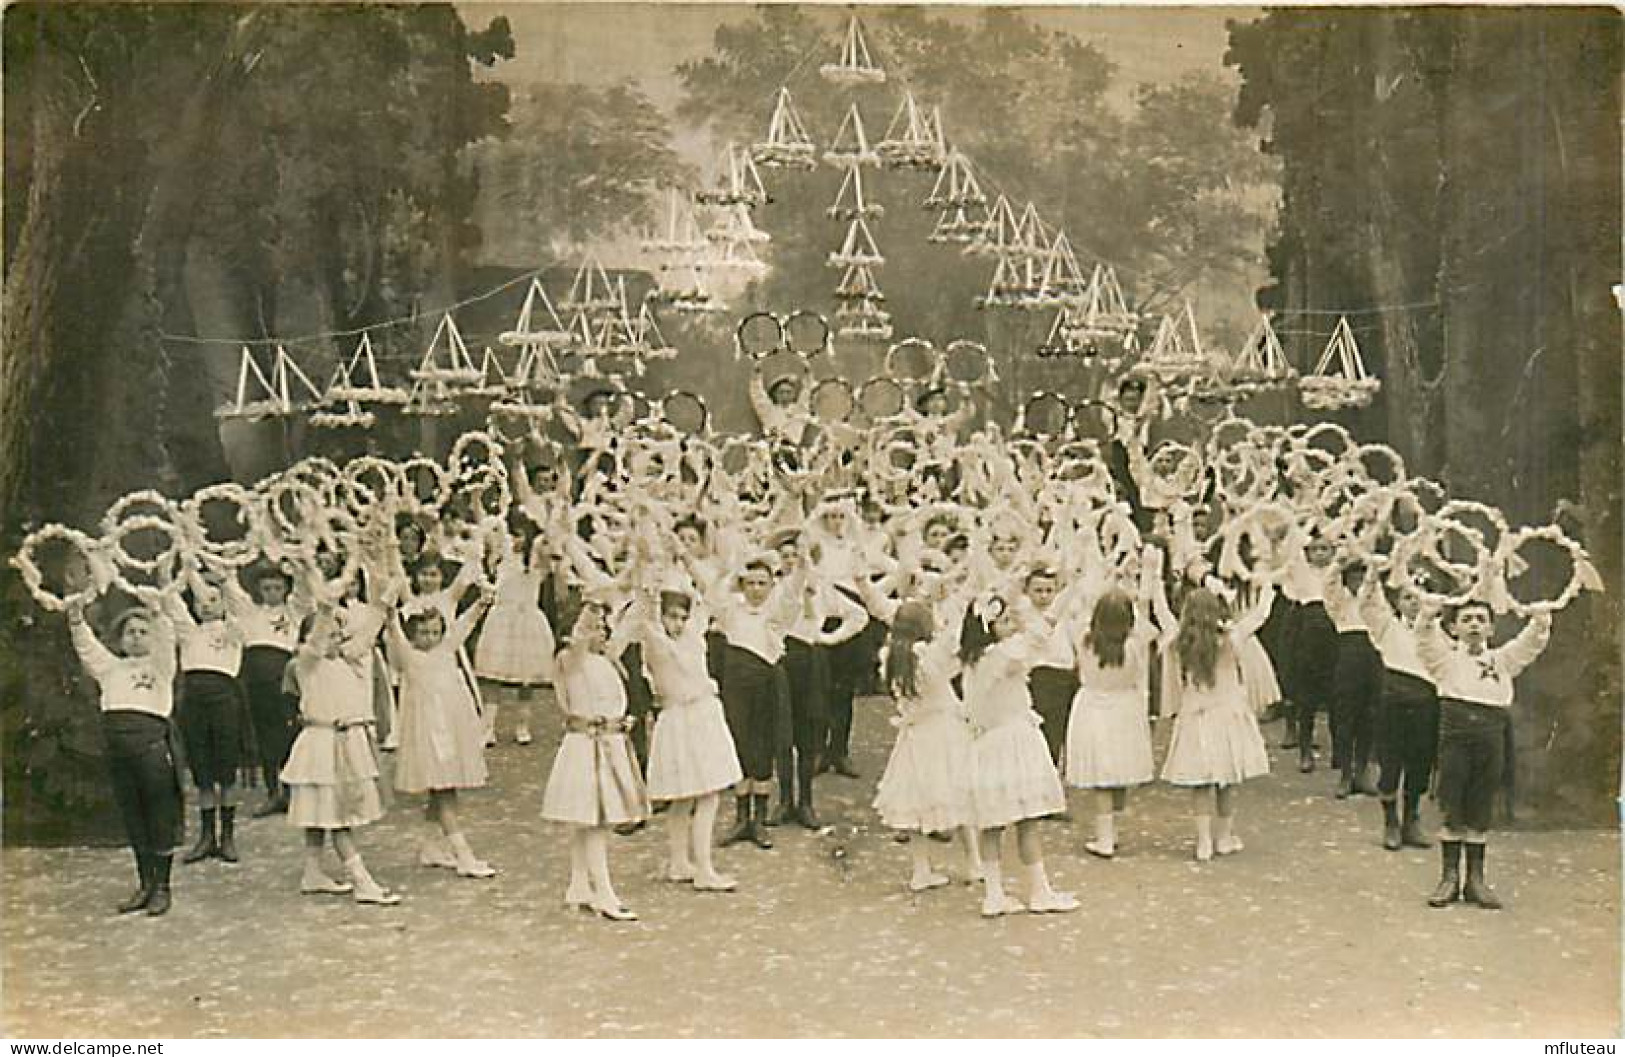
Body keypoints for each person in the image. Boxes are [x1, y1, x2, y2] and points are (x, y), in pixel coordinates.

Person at [1416, 600, 1551, 909]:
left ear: (1491, 627)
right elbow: (1423, 638)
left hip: (1491, 736)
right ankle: (1448, 878)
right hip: (1456, 735)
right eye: (1467, 619)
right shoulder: (1444, 661)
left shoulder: (1502, 661)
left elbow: (1528, 645)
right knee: (1453, 801)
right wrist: (1427, 614)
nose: (1474, 624)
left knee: (1481, 803)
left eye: (1481, 619)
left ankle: (1475, 880)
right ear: (1454, 628)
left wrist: (1540, 621)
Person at [961, 599, 1077, 917]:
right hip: (1013, 743)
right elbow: (1039, 633)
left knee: (993, 824)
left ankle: (994, 894)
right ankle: (1039, 891)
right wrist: (1066, 594)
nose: (1012, 623)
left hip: (987, 746)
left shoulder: (975, 663)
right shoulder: (1002, 657)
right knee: (1027, 820)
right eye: (1004, 620)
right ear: (988, 629)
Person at [67, 599, 183, 916]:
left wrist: (158, 615)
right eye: (129, 632)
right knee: (133, 816)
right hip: (119, 751)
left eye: (143, 631)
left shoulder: (160, 668)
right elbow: (88, 648)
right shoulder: (111, 669)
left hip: (151, 749)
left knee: (159, 814)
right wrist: (76, 619)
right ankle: (144, 884)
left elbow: (166, 641)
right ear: (120, 639)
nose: (135, 636)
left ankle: (162, 887)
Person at [620, 589, 741, 892]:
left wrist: (684, 559)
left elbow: (712, 595)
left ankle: (680, 863)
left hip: (702, 715)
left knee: (691, 796)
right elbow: (646, 616)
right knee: (702, 795)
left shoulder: (691, 638)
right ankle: (703, 869)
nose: (678, 623)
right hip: (681, 719)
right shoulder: (656, 644)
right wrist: (649, 584)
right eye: (671, 617)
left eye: (682, 617)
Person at [284, 600, 401, 905]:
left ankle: (312, 872)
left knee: (321, 813)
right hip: (322, 745)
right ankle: (361, 880)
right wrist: (323, 614)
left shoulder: (345, 663)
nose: (335, 641)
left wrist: (383, 601)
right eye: (328, 636)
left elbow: (366, 636)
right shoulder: (305, 664)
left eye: (338, 635)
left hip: (347, 743)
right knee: (338, 816)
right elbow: (314, 644)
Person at [542, 603, 650, 920]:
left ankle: (578, 884)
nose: (599, 632)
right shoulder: (568, 661)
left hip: (609, 742)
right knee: (594, 821)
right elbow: (575, 648)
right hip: (587, 746)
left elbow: (630, 624)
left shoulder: (605, 661)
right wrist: (586, 615)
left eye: (602, 627)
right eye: (593, 627)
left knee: (586, 820)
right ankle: (603, 891)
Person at [1158, 586, 1274, 861]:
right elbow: (1259, 617)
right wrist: (1268, 590)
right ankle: (1223, 836)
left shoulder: (1178, 641)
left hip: (1196, 715)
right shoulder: (1231, 639)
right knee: (1226, 779)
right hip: (1227, 714)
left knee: (1201, 781)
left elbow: (1161, 611)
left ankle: (1203, 841)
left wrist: (1153, 579)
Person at [388, 590, 498, 879]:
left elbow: (464, 625)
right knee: (444, 791)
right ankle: (464, 854)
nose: (430, 638)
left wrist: (481, 604)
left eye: (435, 632)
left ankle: (430, 846)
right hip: (430, 735)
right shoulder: (409, 656)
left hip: (452, 728)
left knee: (445, 790)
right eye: (423, 632)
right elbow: (394, 631)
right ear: (413, 635)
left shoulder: (447, 649)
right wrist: (389, 613)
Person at [873, 602, 981, 891]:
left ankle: (921, 870)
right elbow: (953, 658)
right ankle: (974, 863)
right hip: (943, 730)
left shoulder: (891, 657)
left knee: (917, 802)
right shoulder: (928, 657)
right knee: (960, 793)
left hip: (915, 734)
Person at [1064, 550, 1162, 859]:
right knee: (1116, 771)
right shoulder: (1135, 644)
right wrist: (1145, 574)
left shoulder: (1084, 639)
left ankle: (1105, 837)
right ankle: (1110, 832)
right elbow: (1146, 617)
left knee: (1102, 777)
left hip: (1093, 707)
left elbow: (1076, 609)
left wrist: (1105, 575)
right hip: (1124, 709)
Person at [164, 570, 247, 864]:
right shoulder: (189, 631)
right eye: (201, 600)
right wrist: (172, 572)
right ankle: (206, 836)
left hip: (224, 698)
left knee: (226, 769)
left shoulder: (234, 630)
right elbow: (172, 602)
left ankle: (227, 837)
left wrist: (225, 582)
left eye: (213, 600)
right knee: (202, 771)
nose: (207, 605)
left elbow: (239, 604)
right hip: (195, 702)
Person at [1358, 570, 1440, 850]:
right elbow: (1369, 604)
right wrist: (1371, 578)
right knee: (1391, 762)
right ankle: (1390, 821)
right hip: (1394, 699)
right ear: (1398, 602)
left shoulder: (1439, 634)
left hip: (1426, 701)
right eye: (1408, 598)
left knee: (1420, 763)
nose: (1415, 604)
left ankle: (1412, 819)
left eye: (1421, 598)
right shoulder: (1387, 627)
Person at [225, 563, 309, 816]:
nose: (271, 593)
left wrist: (297, 567)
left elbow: (304, 591)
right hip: (256, 675)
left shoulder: (293, 611)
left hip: (282, 673)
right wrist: (227, 572)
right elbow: (232, 591)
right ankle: (273, 792)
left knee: (288, 731)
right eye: (266, 588)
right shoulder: (251, 612)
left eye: (277, 588)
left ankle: (293, 791)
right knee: (264, 734)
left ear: (285, 589)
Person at [473, 523, 556, 745]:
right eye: (511, 533)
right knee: (493, 676)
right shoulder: (500, 560)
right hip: (501, 620)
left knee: (526, 679)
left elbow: (552, 545)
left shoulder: (535, 563)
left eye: (519, 534)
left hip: (526, 619)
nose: (514, 539)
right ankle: (487, 727)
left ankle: (522, 725)